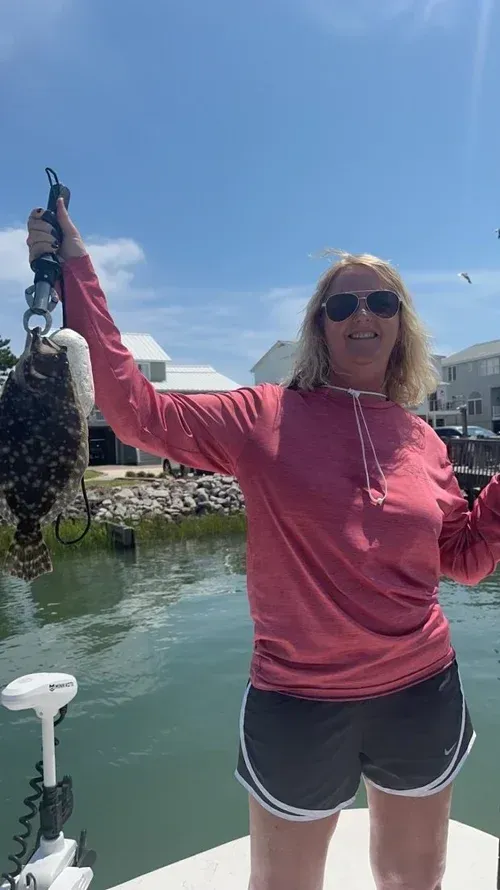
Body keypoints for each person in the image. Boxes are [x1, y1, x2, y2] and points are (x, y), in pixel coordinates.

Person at [27, 202, 500, 890]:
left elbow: (467, 560)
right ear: (320, 326)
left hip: (420, 692)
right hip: (298, 701)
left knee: (414, 881)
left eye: (381, 302)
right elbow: (134, 411)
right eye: (342, 305)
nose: (362, 315)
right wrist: (76, 268)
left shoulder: (424, 441)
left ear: (401, 323)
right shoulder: (263, 416)